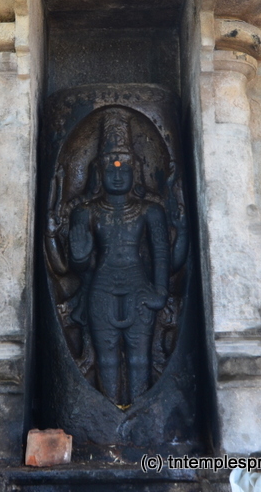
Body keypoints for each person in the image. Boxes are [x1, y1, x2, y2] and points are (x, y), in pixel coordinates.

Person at [67, 110, 171, 407]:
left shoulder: (150, 211)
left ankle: (139, 411)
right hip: (101, 289)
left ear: (134, 172)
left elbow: (160, 252)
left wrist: (161, 291)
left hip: (139, 288)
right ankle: (109, 411)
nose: (116, 175)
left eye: (123, 170)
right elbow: (79, 267)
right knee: (107, 358)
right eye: (110, 170)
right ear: (99, 173)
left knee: (140, 358)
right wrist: (80, 254)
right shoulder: (86, 212)